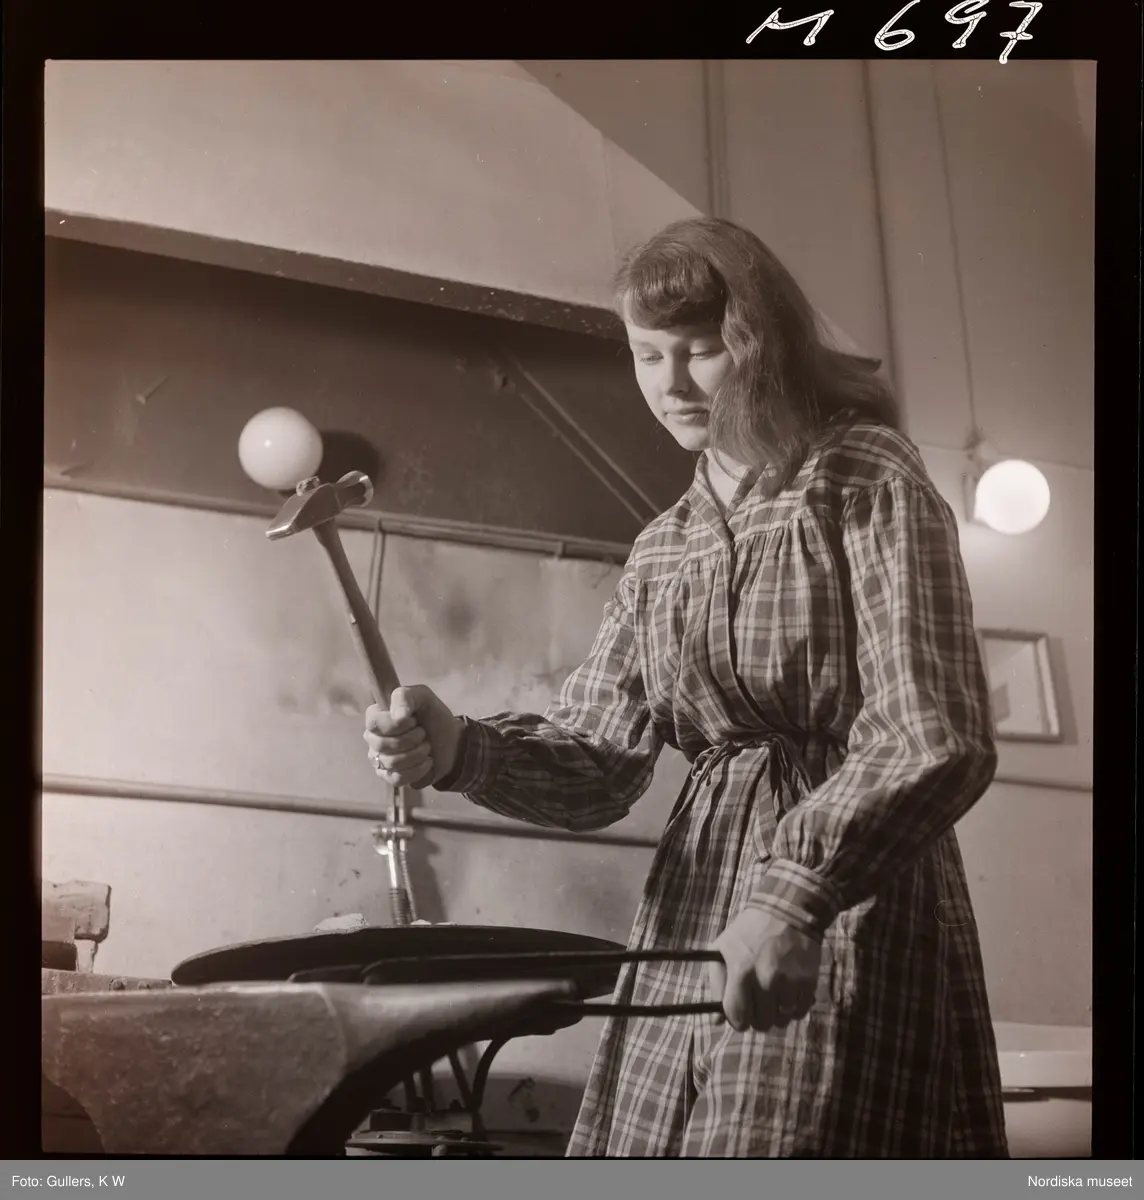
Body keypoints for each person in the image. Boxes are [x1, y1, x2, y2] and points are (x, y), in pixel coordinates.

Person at [363, 216, 1009, 1158]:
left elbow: (934, 730)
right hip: (692, 910)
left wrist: (794, 896)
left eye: (701, 350)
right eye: (645, 354)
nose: (670, 384)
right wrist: (461, 747)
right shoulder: (663, 546)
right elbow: (600, 765)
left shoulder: (862, 473)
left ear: (762, 341)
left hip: (843, 903)